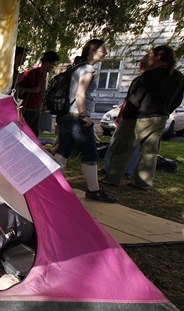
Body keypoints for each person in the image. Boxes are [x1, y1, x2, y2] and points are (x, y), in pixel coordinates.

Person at [103, 45, 184, 188]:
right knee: (150, 152)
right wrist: (165, 111)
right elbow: (177, 100)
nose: (149, 58)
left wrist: (126, 116)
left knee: (122, 148)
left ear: (158, 58)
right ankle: (142, 182)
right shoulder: (178, 77)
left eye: (151, 55)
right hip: (160, 119)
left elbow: (135, 98)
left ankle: (112, 178)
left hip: (139, 118)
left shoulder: (149, 76)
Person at [54, 39, 117, 203]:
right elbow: (80, 93)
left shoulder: (76, 67)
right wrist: (83, 115)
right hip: (76, 117)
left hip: (65, 115)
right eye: (102, 50)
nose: (105, 53)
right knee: (90, 153)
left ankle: (53, 185)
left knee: (63, 151)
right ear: (91, 50)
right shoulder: (87, 68)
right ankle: (94, 190)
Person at [101, 54, 149, 177]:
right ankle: (114, 169)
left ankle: (118, 171)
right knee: (122, 143)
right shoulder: (141, 80)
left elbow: (129, 101)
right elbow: (127, 100)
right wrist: (119, 116)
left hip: (134, 118)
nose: (140, 66)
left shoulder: (143, 80)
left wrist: (122, 116)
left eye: (142, 63)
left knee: (123, 144)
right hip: (135, 117)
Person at [18, 50, 59, 136]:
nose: (52, 67)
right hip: (28, 108)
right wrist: (31, 90)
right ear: (47, 63)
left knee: (34, 134)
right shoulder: (32, 73)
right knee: (26, 134)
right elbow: (17, 87)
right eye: (52, 64)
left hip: (36, 108)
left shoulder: (42, 75)